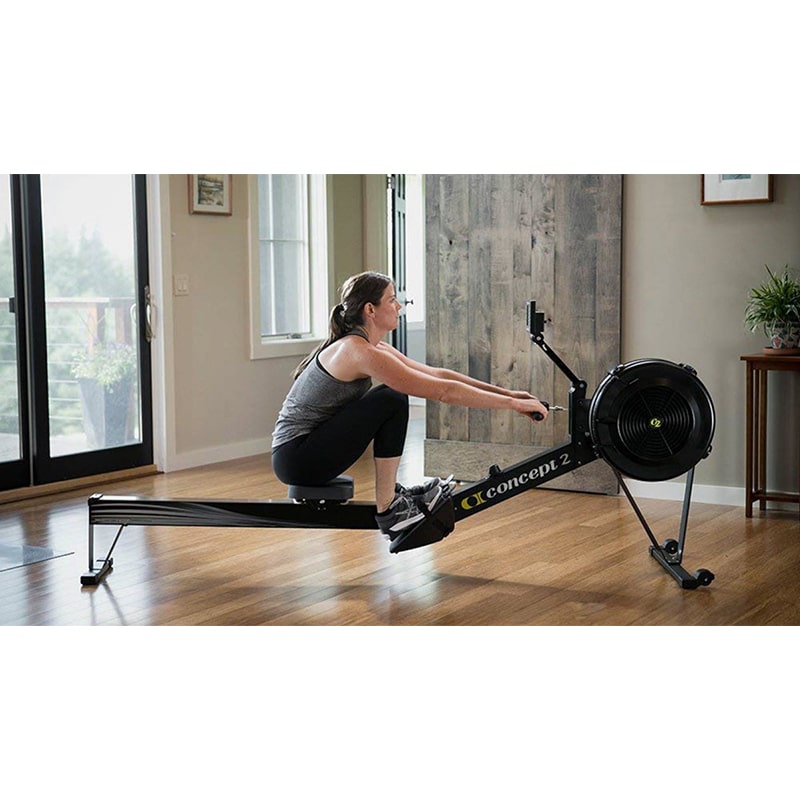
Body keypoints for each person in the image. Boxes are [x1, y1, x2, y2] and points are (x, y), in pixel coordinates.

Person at [271, 271, 549, 540]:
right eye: (392, 300)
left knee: (391, 397)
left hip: (303, 453)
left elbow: (438, 375)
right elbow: (444, 392)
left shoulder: (372, 346)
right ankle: (389, 508)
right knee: (391, 398)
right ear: (370, 309)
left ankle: (391, 499)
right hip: (297, 458)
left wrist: (509, 393)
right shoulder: (358, 351)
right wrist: (512, 404)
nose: (399, 306)